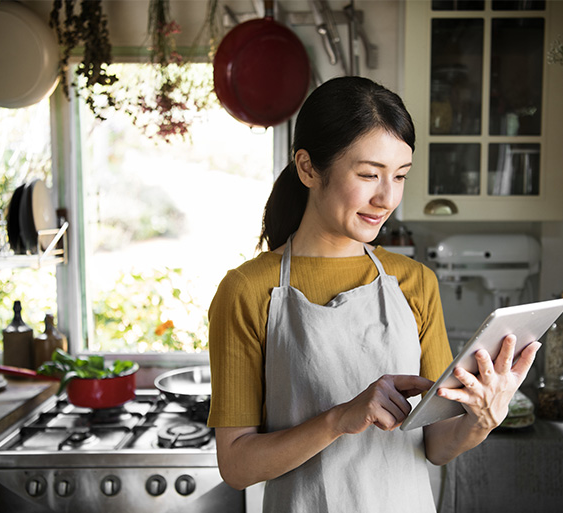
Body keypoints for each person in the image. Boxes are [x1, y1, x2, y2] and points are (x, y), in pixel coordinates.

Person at [207, 76, 540, 512]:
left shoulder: (416, 282)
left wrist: (482, 418)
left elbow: (436, 444)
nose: (386, 198)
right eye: (368, 175)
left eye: (400, 176)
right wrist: (340, 418)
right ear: (308, 168)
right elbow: (236, 465)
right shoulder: (248, 290)